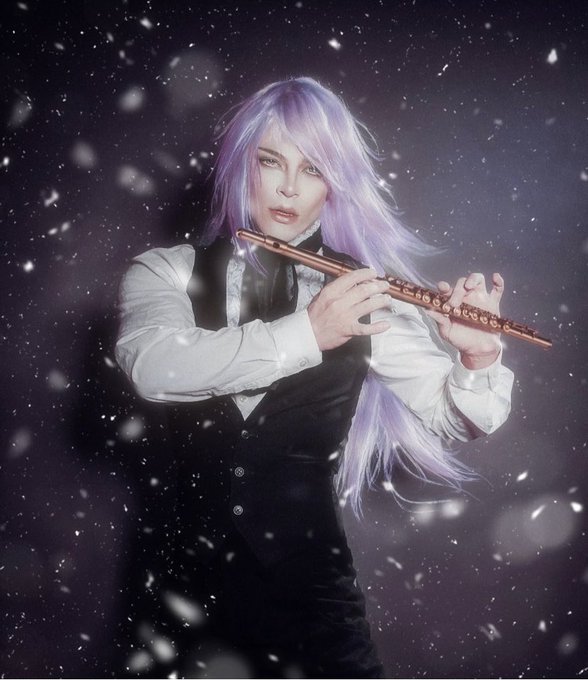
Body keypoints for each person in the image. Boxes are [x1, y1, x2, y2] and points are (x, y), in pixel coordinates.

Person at [115, 77, 514, 678]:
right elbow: (153, 367)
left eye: (314, 169)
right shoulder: (165, 271)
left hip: (315, 606)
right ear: (240, 164)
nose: (289, 188)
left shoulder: (363, 292)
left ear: (335, 184)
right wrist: (308, 332)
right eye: (270, 161)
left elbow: (457, 419)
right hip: (181, 601)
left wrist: (478, 357)